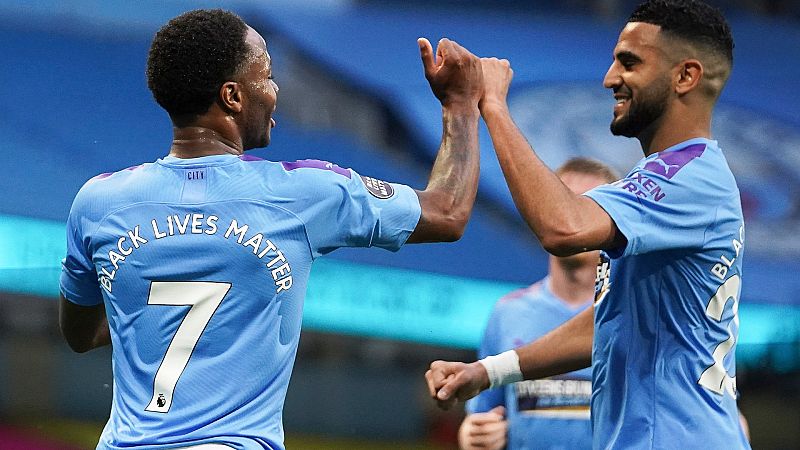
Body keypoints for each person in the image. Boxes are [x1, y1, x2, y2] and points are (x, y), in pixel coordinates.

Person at [59, 9, 483, 450]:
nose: (275, 91)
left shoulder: (98, 202)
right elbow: (448, 212)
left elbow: (81, 334)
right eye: (266, 76)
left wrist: (153, 308)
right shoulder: (303, 194)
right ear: (233, 96)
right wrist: (460, 105)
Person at [426, 1, 751, 448]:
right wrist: (487, 371)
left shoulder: (687, 178)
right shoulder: (682, 180)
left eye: (629, 62)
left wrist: (494, 105)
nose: (610, 78)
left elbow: (563, 228)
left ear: (685, 76)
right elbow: (611, 322)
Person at [459, 158, 617, 450]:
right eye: (562, 203)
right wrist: (476, 435)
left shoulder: (628, 316)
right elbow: (482, 416)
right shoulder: (508, 313)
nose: (572, 219)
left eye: (588, 207)